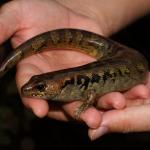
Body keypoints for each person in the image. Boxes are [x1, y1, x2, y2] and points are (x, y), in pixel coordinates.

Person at [0, 0, 150, 140]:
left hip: (135, 64)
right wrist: (82, 11)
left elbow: (91, 93)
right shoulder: (70, 83)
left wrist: (85, 105)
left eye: (40, 87)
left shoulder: (77, 84)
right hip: (122, 56)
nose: (28, 89)